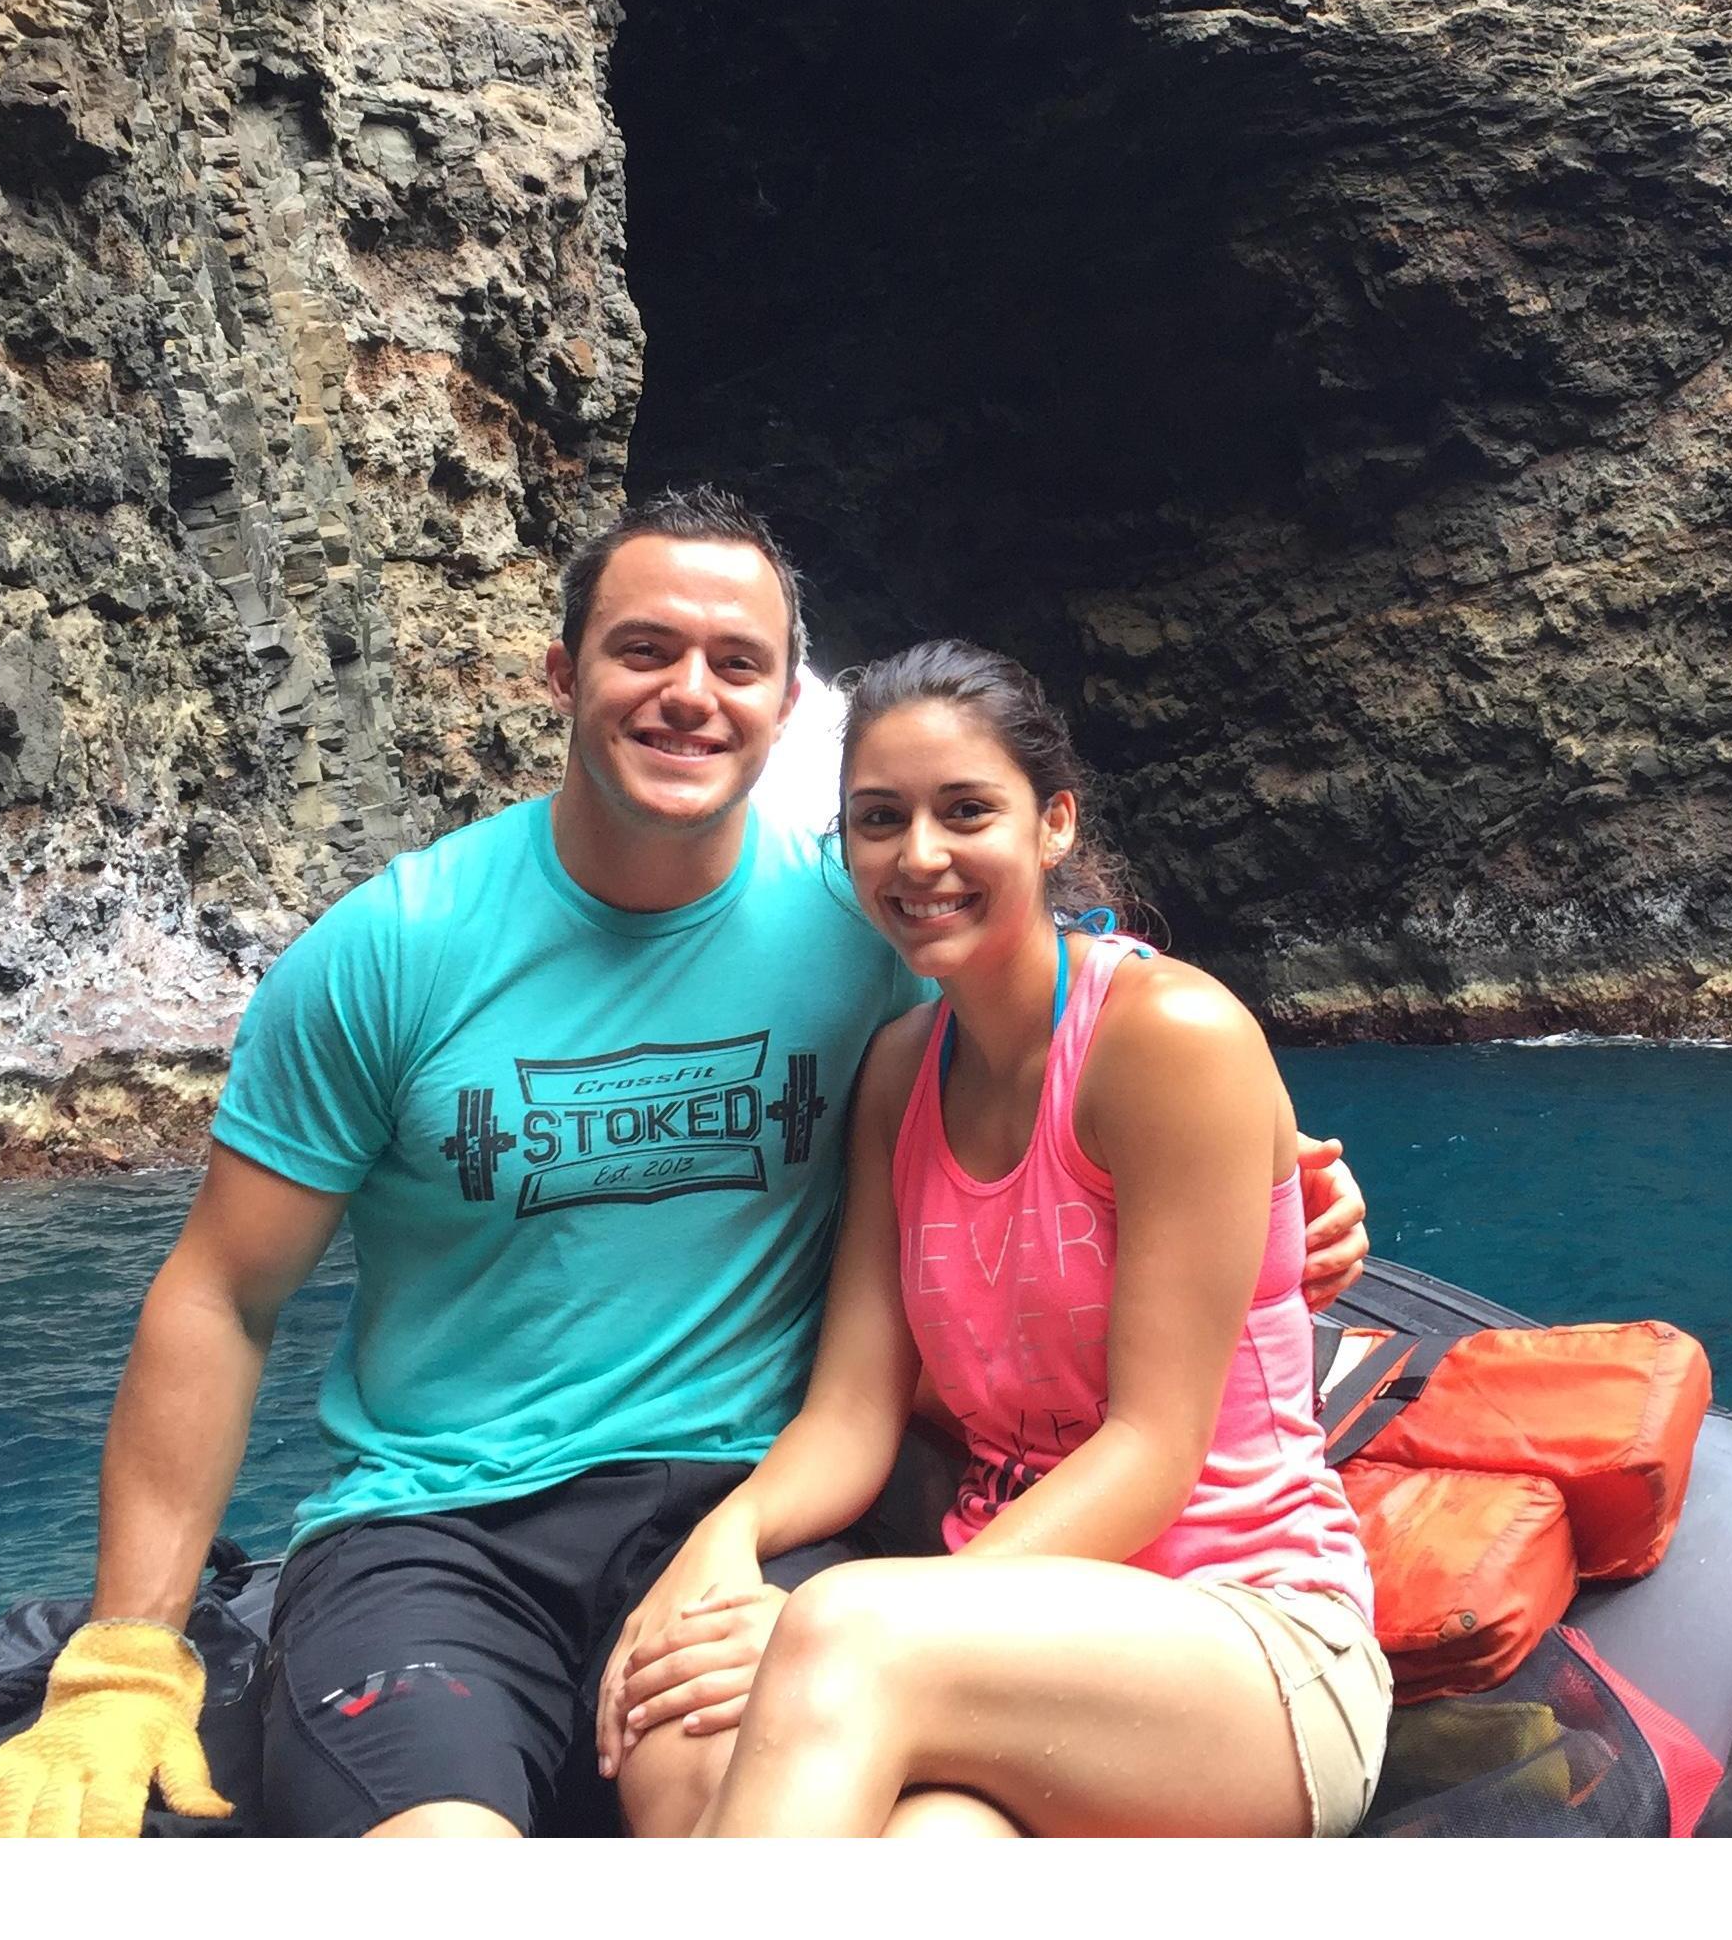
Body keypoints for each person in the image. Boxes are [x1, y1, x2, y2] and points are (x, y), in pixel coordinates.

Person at [0, 493, 1368, 1839]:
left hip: (744, 1492)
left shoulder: (864, 928)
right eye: (644, 650)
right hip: (440, 1524)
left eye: (736, 662)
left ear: (786, 707)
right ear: (563, 675)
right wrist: (127, 1652)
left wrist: (1285, 1178)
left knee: (722, 1793)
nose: (691, 692)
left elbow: (1074, 1007)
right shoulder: (392, 951)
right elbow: (221, 1296)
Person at [595, 640, 1391, 1840]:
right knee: (691, 1746)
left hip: (1247, 1638)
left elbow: (1153, 1450)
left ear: (1053, 824)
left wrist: (865, 1626)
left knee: (838, 1634)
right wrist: (725, 1543)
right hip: (992, 1647)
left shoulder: (1169, 1037)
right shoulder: (899, 1075)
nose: (920, 856)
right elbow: (852, 1414)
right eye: (880, 820)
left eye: (966, 811)